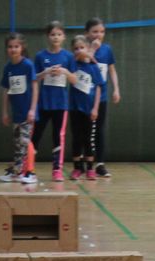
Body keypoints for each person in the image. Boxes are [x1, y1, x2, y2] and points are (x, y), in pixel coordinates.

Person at [32, 21, 76, 182]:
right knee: (35, 135)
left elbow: (74, 80)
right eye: (52, 34)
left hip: (61, 104)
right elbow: (34, 78)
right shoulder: (40, 56)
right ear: (47, 36)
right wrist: (45, 72)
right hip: (43, 103)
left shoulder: (68, 57)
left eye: (59, 34)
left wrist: (64, 71)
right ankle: (28, 168)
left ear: (63, 37)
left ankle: (57, 169)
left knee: (58, 136)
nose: (56, 37)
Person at [0, 32, 38, 184]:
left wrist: (32, 109)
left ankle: (30, 172)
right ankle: (17, 172)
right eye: (10, 47)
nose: (13, 49)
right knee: (17, 143)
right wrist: (4, 112)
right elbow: (6, 90)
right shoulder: (7, 68)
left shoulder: (28, 65)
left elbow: (35, 87)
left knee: (25, 141)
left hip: (28, 113)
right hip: (16, 113)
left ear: (22, 47)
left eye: (16, 46)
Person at [84, 16, 121, 178]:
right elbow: (84, 61)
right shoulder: (82, 47)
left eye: (101, 32)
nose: (98, 35)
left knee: (99, 130)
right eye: (95, 31)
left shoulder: (107, 50)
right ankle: (84, 163)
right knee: (84, 131)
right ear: (87, 33)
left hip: (101, 97)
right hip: (84, 97)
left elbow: (111, 70)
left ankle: (100, 163)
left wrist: (116, 89)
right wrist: (92, 48)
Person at [68, 35, 104, 180]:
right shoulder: (73, 65)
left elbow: (98, 88)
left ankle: (90, 168)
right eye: (76, 48)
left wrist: (95, 108)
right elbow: (69, 72)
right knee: (76, 138)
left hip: (89, 109)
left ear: (88, 49)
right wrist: (77, 57)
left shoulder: (93, 67)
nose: (79, 51)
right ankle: (77, 168)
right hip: (74, 108)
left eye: (82, 48)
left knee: (88, 139)